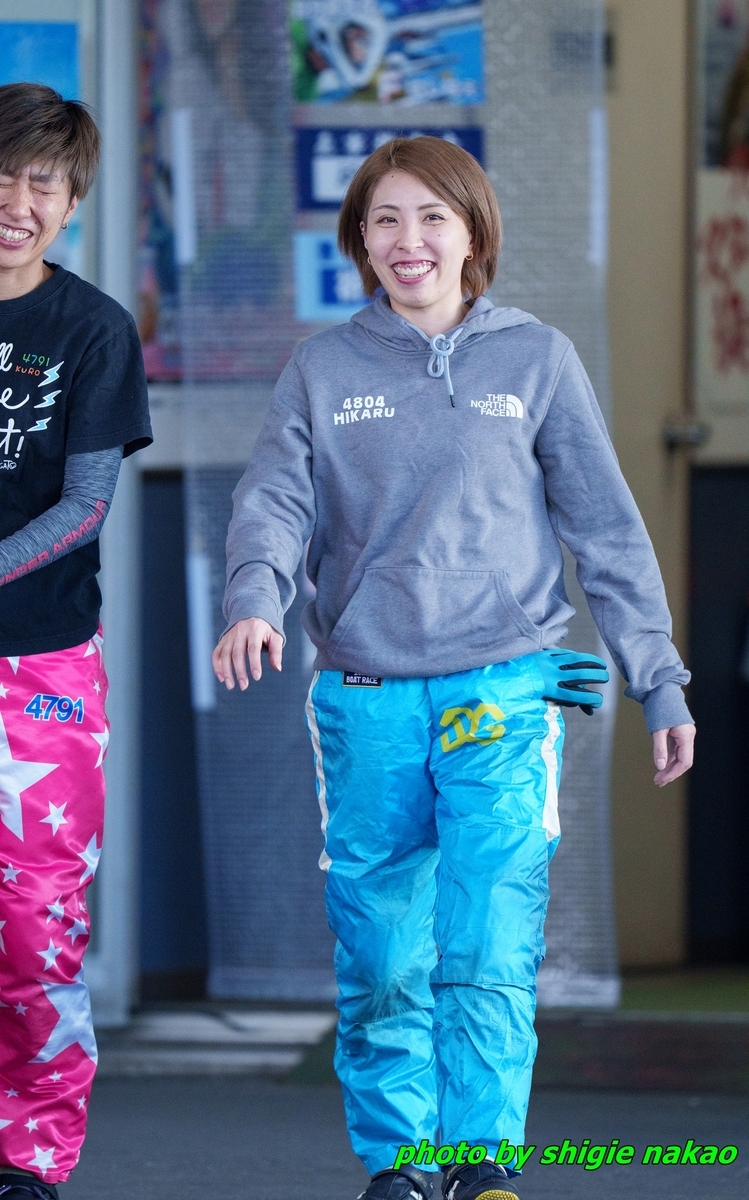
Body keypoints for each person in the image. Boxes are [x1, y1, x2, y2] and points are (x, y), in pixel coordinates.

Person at [213, 137, 694, 1200]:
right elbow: (273, 503)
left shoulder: (536, 359)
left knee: (487, 937)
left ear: (473, 232)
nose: (409, 240)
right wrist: (253, 598)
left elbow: (606, 531)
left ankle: (480, 1163)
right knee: (384, 952)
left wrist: (657, 678)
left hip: (505, 694)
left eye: (433, 216)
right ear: (359, 239)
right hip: (365, 698)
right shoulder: (322, 369)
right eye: (385, 219)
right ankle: (400, 1164)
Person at [0, 84, 152, 1198]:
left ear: (71, 201)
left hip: (41, 665)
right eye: (0, 177)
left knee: (32, 926)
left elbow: (85, 504)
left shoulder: (92, 328)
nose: (16, 201)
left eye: (40, 183)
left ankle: (31, 1159)